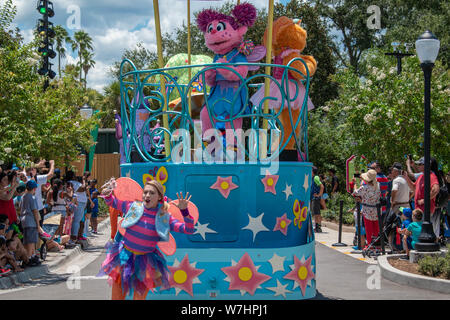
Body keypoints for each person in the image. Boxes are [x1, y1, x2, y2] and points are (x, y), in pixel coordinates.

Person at [98, 179, 195, 300]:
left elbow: (188, 230)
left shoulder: (164, 217)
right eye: (145, 192)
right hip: (124, 257)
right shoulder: (133, 207)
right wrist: (108, 194)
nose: (147, 195)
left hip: (145, 262)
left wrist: (185, 212)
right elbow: (113, 202)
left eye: (152, 193)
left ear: (160, 197)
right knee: (116, 297)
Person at [403, 157, 440, 238]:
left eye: (420, 164)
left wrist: (424, 200)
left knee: (423, 233)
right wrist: (406, 177)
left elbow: (436, 189)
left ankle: (426, 247)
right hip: (418, 210)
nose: (418, 166)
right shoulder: (421, 176)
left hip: (425, 210)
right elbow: (414, 188)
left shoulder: (431, 176)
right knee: (418, 232)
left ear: (426, 165)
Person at [352, 169, 381, 247]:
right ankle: (376, 245)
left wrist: (355, 184)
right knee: (376, 228)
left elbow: (355, 193)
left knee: (368, 229)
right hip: (376, 210)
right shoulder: (378, 185)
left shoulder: (364, 188)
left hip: (367, 210)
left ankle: (369, 245)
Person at [19, 180, 43, 266]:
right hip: (31, 221)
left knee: (26, 241)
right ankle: (29, 258)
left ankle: (30, 256)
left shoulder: (23, 197)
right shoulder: (32, 197)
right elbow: (35, 211)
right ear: (34, 188)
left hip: (24, 221)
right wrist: (38, 225)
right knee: (31, 241)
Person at [310, 167, 324, 233]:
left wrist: (319, 195)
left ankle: (318, 227)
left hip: (315, 198)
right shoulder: (313, 178)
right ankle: (317, 226)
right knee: (316, 213)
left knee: (316, 213)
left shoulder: (316, 178)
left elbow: (322, 186)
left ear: (313, 171)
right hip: (314, 198)